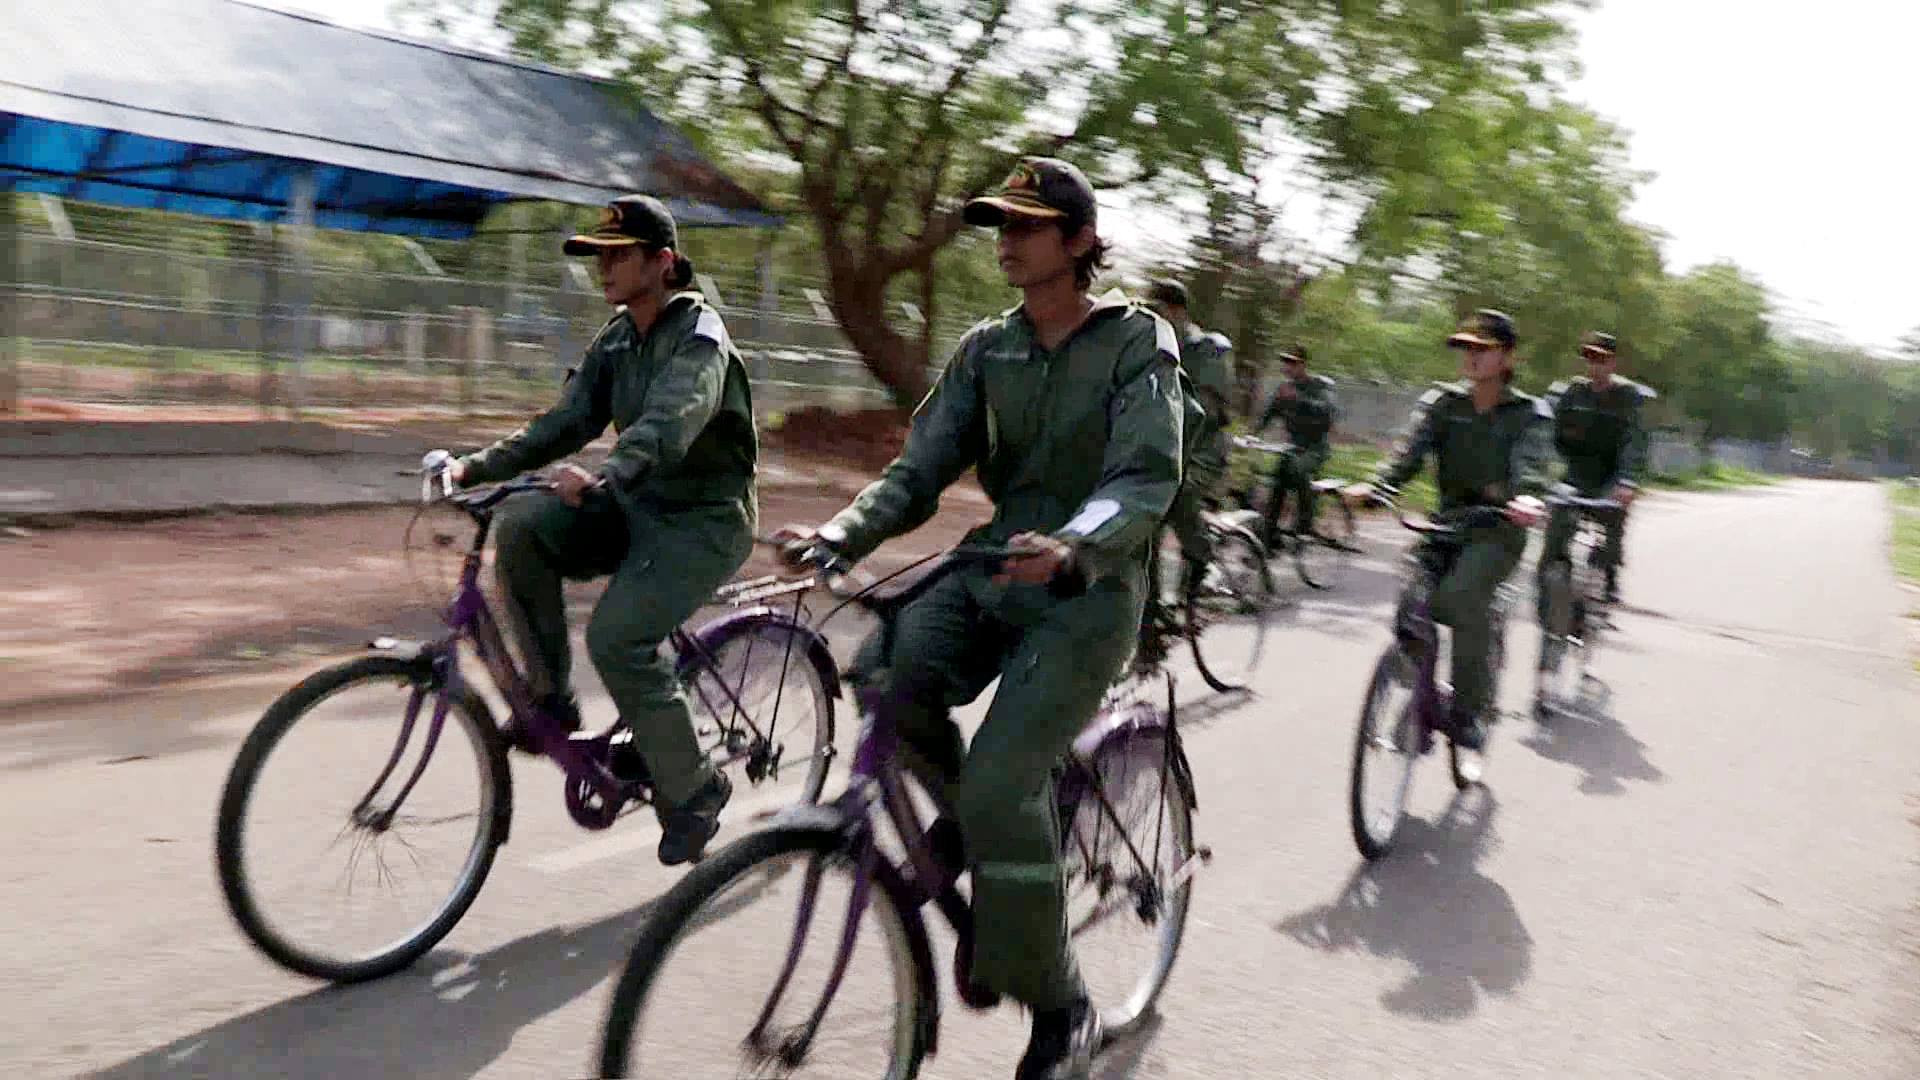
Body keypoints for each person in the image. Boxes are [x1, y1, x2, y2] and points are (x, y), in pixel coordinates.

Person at [775, 157, 1184, 1080]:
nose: (1006, 238)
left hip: (1086, 593)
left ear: (1079, 242)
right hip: (991, 570)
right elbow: (919, 472)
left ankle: (1063, 1004)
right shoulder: (984, 349)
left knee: (1004, 784)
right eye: (1000, 223)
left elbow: (1145, 476)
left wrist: (1077, 546)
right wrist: (837, 537)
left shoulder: (1134, 342)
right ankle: (975, 831)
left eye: (1027, 225)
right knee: (882, 673)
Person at [445, 195, 756, 867]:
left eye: (617, 255)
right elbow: (564, 422)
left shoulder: (699, 337)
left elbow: (674, 419)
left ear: (662, 262)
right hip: (632, 503)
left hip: (701, 523)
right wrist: (474, 467)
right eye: (598, 256)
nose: (602, 268)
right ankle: (553, 700)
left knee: (619, 636)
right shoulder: (618, 338)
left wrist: (608, 472)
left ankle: (697, 789)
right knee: (524, 526)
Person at [1342, 309, 1551, 750]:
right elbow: (1407, 454)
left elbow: (1532, 466)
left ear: (1507, 356)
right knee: (1411, 603)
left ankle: (1469, 710)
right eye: (1466, 349)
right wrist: (1376, 488)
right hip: (1447, 525)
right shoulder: (1443, 403)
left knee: (1459, 599)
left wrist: (1527, 497)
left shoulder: (1527, 412)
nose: (1471, 357)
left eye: (1482, 349)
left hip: (1498, 529)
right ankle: (1423, 697)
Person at [1538, 331, 1655, 606]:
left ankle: (1608, 575)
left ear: (1613, 363)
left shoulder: (1627, 397)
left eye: (1601, 359)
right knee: (1557, 528)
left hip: (1612, 475)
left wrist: (1627, 481)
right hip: (1576, 473)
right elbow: (1547, 433)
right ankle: (1551, 586)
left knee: (1612, 525)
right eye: (1590, 358)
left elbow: (1634, 441)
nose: (1595, 365)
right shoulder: (1572, 392)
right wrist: (1541, 475)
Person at [1254, 345, 1338, 547]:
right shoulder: (1284, 388)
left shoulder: (1317, 386)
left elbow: (1327, 410)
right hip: (1293, 446)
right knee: (1278, 478)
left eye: (1292, 363)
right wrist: (1254, 434)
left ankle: (1305, 524)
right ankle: (1270, 535)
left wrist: (1300, 400)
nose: (1288, 367)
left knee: (1298, 470)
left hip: (1315, 447)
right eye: (1286, 363)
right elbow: (1270, 413)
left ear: (1303, 365)